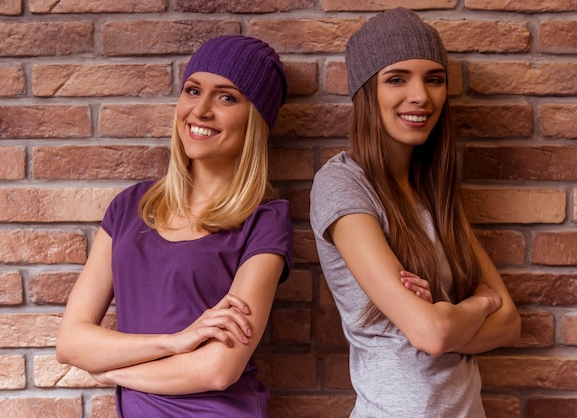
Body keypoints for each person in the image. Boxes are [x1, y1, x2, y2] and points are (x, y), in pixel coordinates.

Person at [56, 35, 292, 417]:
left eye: (227, 97)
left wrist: (110, 370)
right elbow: (70, 343)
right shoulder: (130, 207)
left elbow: (218, 369)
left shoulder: (265, 220)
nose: (201, 110)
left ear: (256, 118)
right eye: (193, 90)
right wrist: (176, 342)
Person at [309, 8, 521, 417]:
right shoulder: (342, 185)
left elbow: (510, 324)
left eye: (434, 79)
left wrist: (444, 317)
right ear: (366, 91)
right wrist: (477, 305)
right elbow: (431, 333)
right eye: (397, 79)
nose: (421, 95)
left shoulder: (433, 191)